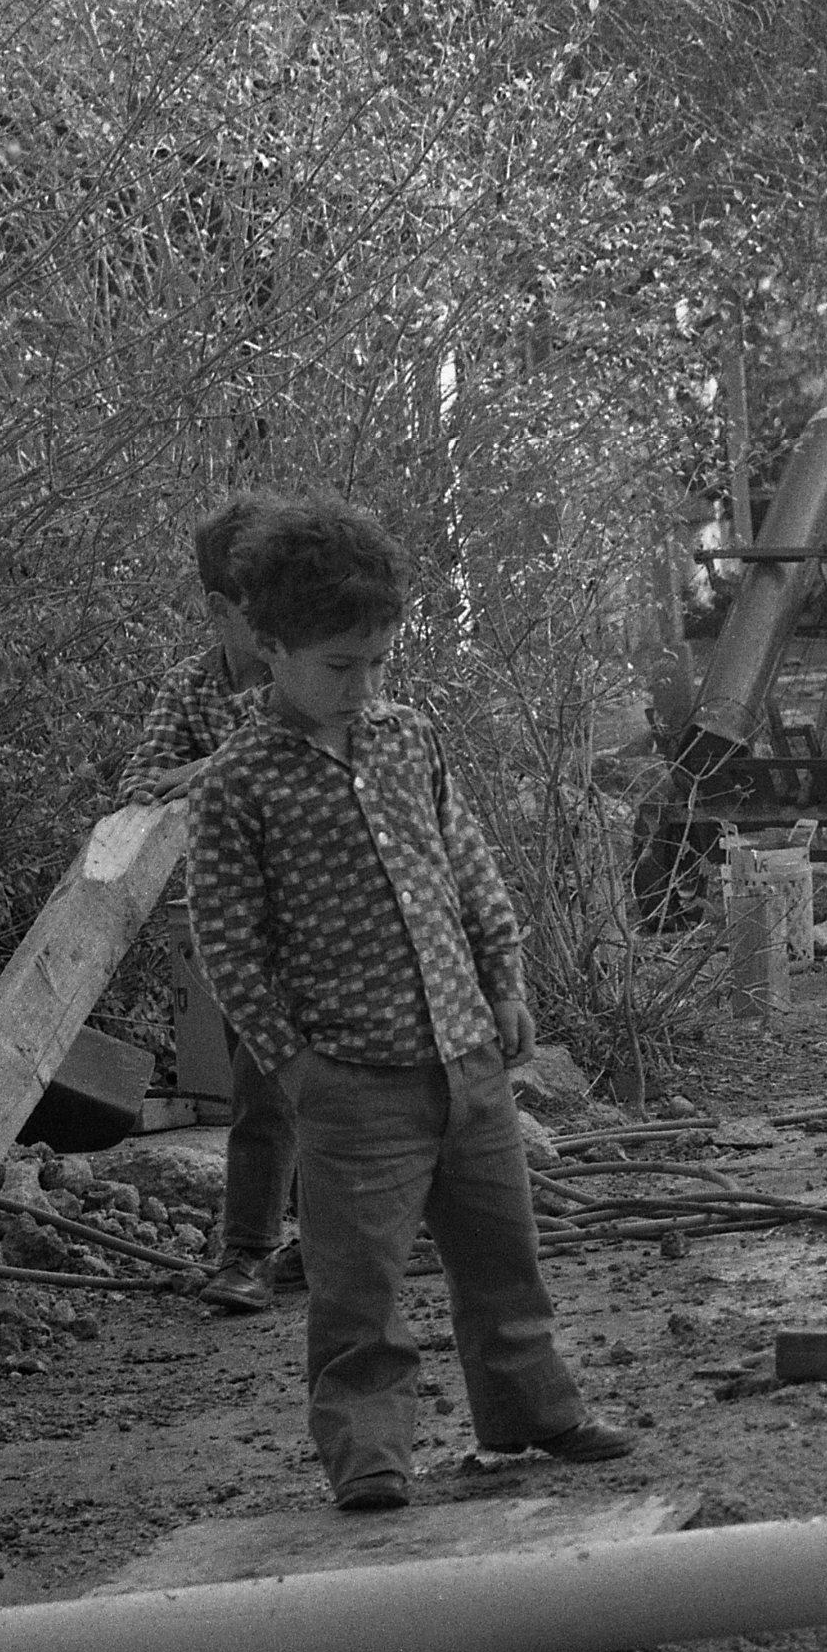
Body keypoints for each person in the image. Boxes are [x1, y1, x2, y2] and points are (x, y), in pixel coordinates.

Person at [188, 497, 634, 1513]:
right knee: (356, 1291)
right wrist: (293, 1065)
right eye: (340, 667)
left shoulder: (406, 739)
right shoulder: (238, 783)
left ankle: (531, 1412)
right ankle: (370, 1456)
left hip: (465, 1056)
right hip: (350, 1083)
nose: (364, 685)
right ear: (272, 645)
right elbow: (229, 941)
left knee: (502, 1257)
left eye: (378, 662)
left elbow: (466, 865)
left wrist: (506, 981)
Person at [123, 494, 303, 1316]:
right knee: (258, 1078)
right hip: (230, 923)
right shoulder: (188, 687)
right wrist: (218, 769)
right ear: (219, 610)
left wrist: (205, 772)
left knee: (280, 1082)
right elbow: (139, 785)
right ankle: (303, 1237)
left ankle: (253, 1250)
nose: (276, 632)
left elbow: (289, 752)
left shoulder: (307, 674)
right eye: (257, 615)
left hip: (315, 915)